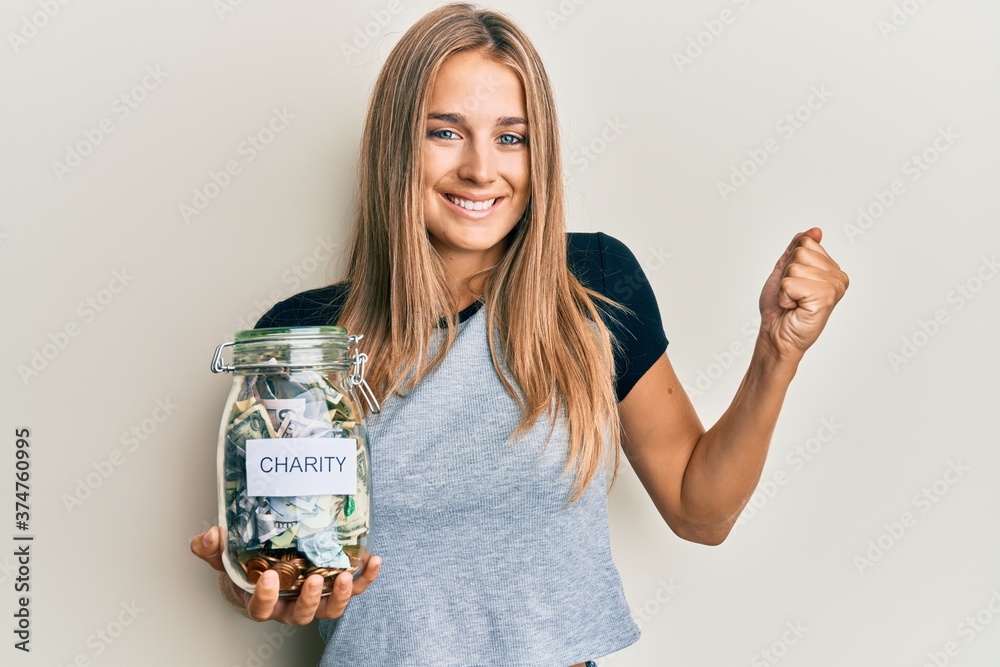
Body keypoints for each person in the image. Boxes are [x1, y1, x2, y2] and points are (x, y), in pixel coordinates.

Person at [191, 3, 849, 666]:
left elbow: (699, 512)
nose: (482, 168)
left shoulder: (594, 284)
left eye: (512, 137)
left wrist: (778, 349)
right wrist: (251, 580)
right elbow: (280, 557)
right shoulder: (306, 343)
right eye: (445, 132)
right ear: (396, 145)